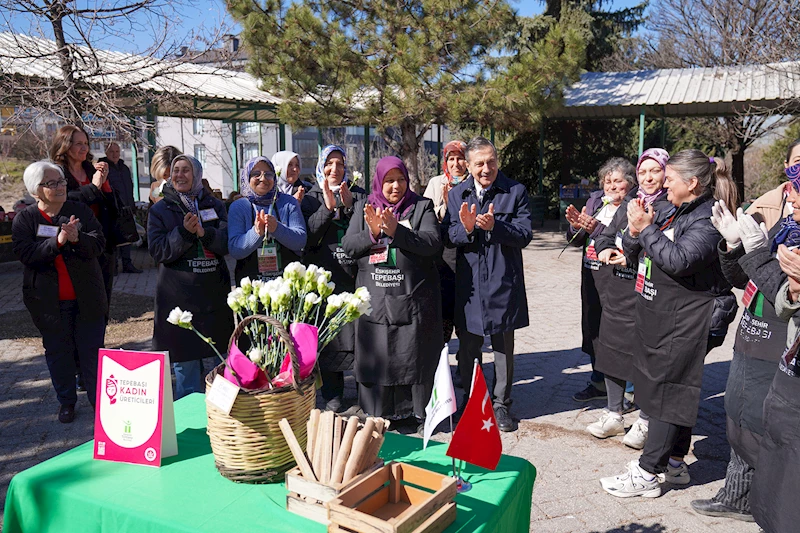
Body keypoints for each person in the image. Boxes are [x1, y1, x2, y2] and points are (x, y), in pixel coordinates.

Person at [600, 150, 739, 498]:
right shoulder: (672, 209)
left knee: (668, 391)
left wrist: (646, 229)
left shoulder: (707, 219)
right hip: (664, 315)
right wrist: (637, 228)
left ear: (692, 184)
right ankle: (675, 463)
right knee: (666, 387)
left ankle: (647, 472)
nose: (663, 182)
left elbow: (679, 260)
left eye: (670, 178)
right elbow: (636, 249)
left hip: (691, 320)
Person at [342, 156, 441, 428]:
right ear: (379, 182)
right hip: (374, 302)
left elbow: (432, 243)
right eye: (389, 181)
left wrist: (398, 232)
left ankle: (416, 413)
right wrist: (372, 235)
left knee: (411, 355)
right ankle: (377, 412)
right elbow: (349, 246)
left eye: (401, 180)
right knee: (379, 355)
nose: (395, 186)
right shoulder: (364, 207)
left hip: (412, 301)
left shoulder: (421, 207)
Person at [444, 136, 533, 432]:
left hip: (502, 281)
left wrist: (497, 227)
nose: (486, 168)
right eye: (479, 163)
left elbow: (524, 234)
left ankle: (501, 404)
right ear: (468, 166)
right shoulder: (458, 193)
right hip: (469, 285)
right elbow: (448, 235)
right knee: (469, 347)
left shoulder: (514, 191)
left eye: (491, 162)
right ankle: (470, 401)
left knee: (503, 348)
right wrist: (467, 229)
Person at [589, 149, 674, 450]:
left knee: (647, 355)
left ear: (666, 173)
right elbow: (604, 233)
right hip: (619, 288)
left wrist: (632, 250)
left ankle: (647, 420)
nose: (648, 177)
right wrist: (604, 250)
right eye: (643, 172)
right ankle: (614, 413)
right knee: (612, 347)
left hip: (651, 290)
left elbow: (665, 251)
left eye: (655, 171)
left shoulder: (670, 206)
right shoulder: (629, 202)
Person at [12, 161, 106, 423]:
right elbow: (26, 254)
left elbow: (99, 244)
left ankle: (99, 403)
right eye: (51, 183)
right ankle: (66, 401)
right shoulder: (25, 219)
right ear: (36, 191)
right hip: (48, 303)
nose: (60, 187)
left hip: (86, 298)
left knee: (92, 352)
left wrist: (78, 239)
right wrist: (57, 242)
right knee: (58, 352)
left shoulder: (79, 211)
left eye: (62, 181)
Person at [147, 155, 233, 400]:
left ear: (197, 175)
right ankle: (192, 418)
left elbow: (226, 244)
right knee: (185, 364)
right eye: (176, 170)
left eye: (186, 170)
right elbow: (159, 250)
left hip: (213, 295)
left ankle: (222, 416)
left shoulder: (215, 206)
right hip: (178, 295)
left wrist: (205, 234)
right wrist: (183, 233)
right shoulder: (160, 209)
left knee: (221, 360)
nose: (180, 175)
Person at [564, 158, 636, 403]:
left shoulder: (634, 207)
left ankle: (628, 391)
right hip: (592, 276)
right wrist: (575, 227)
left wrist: (594, 227)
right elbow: (577, 238)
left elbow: (627, 242)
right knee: (593, 328)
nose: (612, 187)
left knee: (618, 334)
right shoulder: (595, 201)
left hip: (620, 279)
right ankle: (598, 382)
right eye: (608, 182)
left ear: (630, 183)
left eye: (618, 181)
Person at [301, 145, 366, 412]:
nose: (335, 169)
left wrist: (350, 206)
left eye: (340, 163)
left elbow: (365, 229)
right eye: (329, 163)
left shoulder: (358, 194)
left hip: (354, 276)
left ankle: (364, 391)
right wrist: (327, 208)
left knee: (360, 337)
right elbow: (307, 238)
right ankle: (333, 393)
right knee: (329, 337)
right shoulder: (310, 197)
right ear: (321, 165)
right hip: (325, 278)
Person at [751, 201, 800, 532]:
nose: (791, 198)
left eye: (798, 190)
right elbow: (785, 303)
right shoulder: (788, 233)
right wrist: (795, 292)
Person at [49, 125, 116, 310]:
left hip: (101, 243)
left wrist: (105, 184)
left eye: (86, 143)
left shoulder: (91, 170)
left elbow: (112, 208)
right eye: (78, 143)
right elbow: (64, 202)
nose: (84, 148)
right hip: (74, 245)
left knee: (102, 302)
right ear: (65, 145)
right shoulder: (56, 173)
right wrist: (93, 188)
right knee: (80, 304)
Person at [228, 156, 306, 283]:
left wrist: (277, 228)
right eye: (256, 174)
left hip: (286, 284)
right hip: (252, 287)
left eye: (268, 174)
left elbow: (301, 240)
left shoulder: (288, 202)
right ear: (247, 177)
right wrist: (256, 233)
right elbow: (235, 250)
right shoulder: (239, 206)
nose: (263, 178)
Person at [424, 140, 467, 351]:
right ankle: (440, 365)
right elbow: (425, 215)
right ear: (445, 161)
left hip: (466, 252)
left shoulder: (473, 182)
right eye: (451, 159)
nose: (456, 163)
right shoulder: (436, 183)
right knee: (443, 310)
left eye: (460, 158)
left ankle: (465, 364)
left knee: (465, 312)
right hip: (442, 254)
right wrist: (446, 206)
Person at [100, 142, 142, 274]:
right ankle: (114, 266)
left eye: (117, 151)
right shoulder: (103, 168)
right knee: (114, 238)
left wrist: (132, 205)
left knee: (127, 237)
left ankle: (127, 264)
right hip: (112, 209)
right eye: (112, 152)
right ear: (106, 153)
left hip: (127, 208)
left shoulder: (124, 168)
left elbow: (130, 188)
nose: (115, 154)